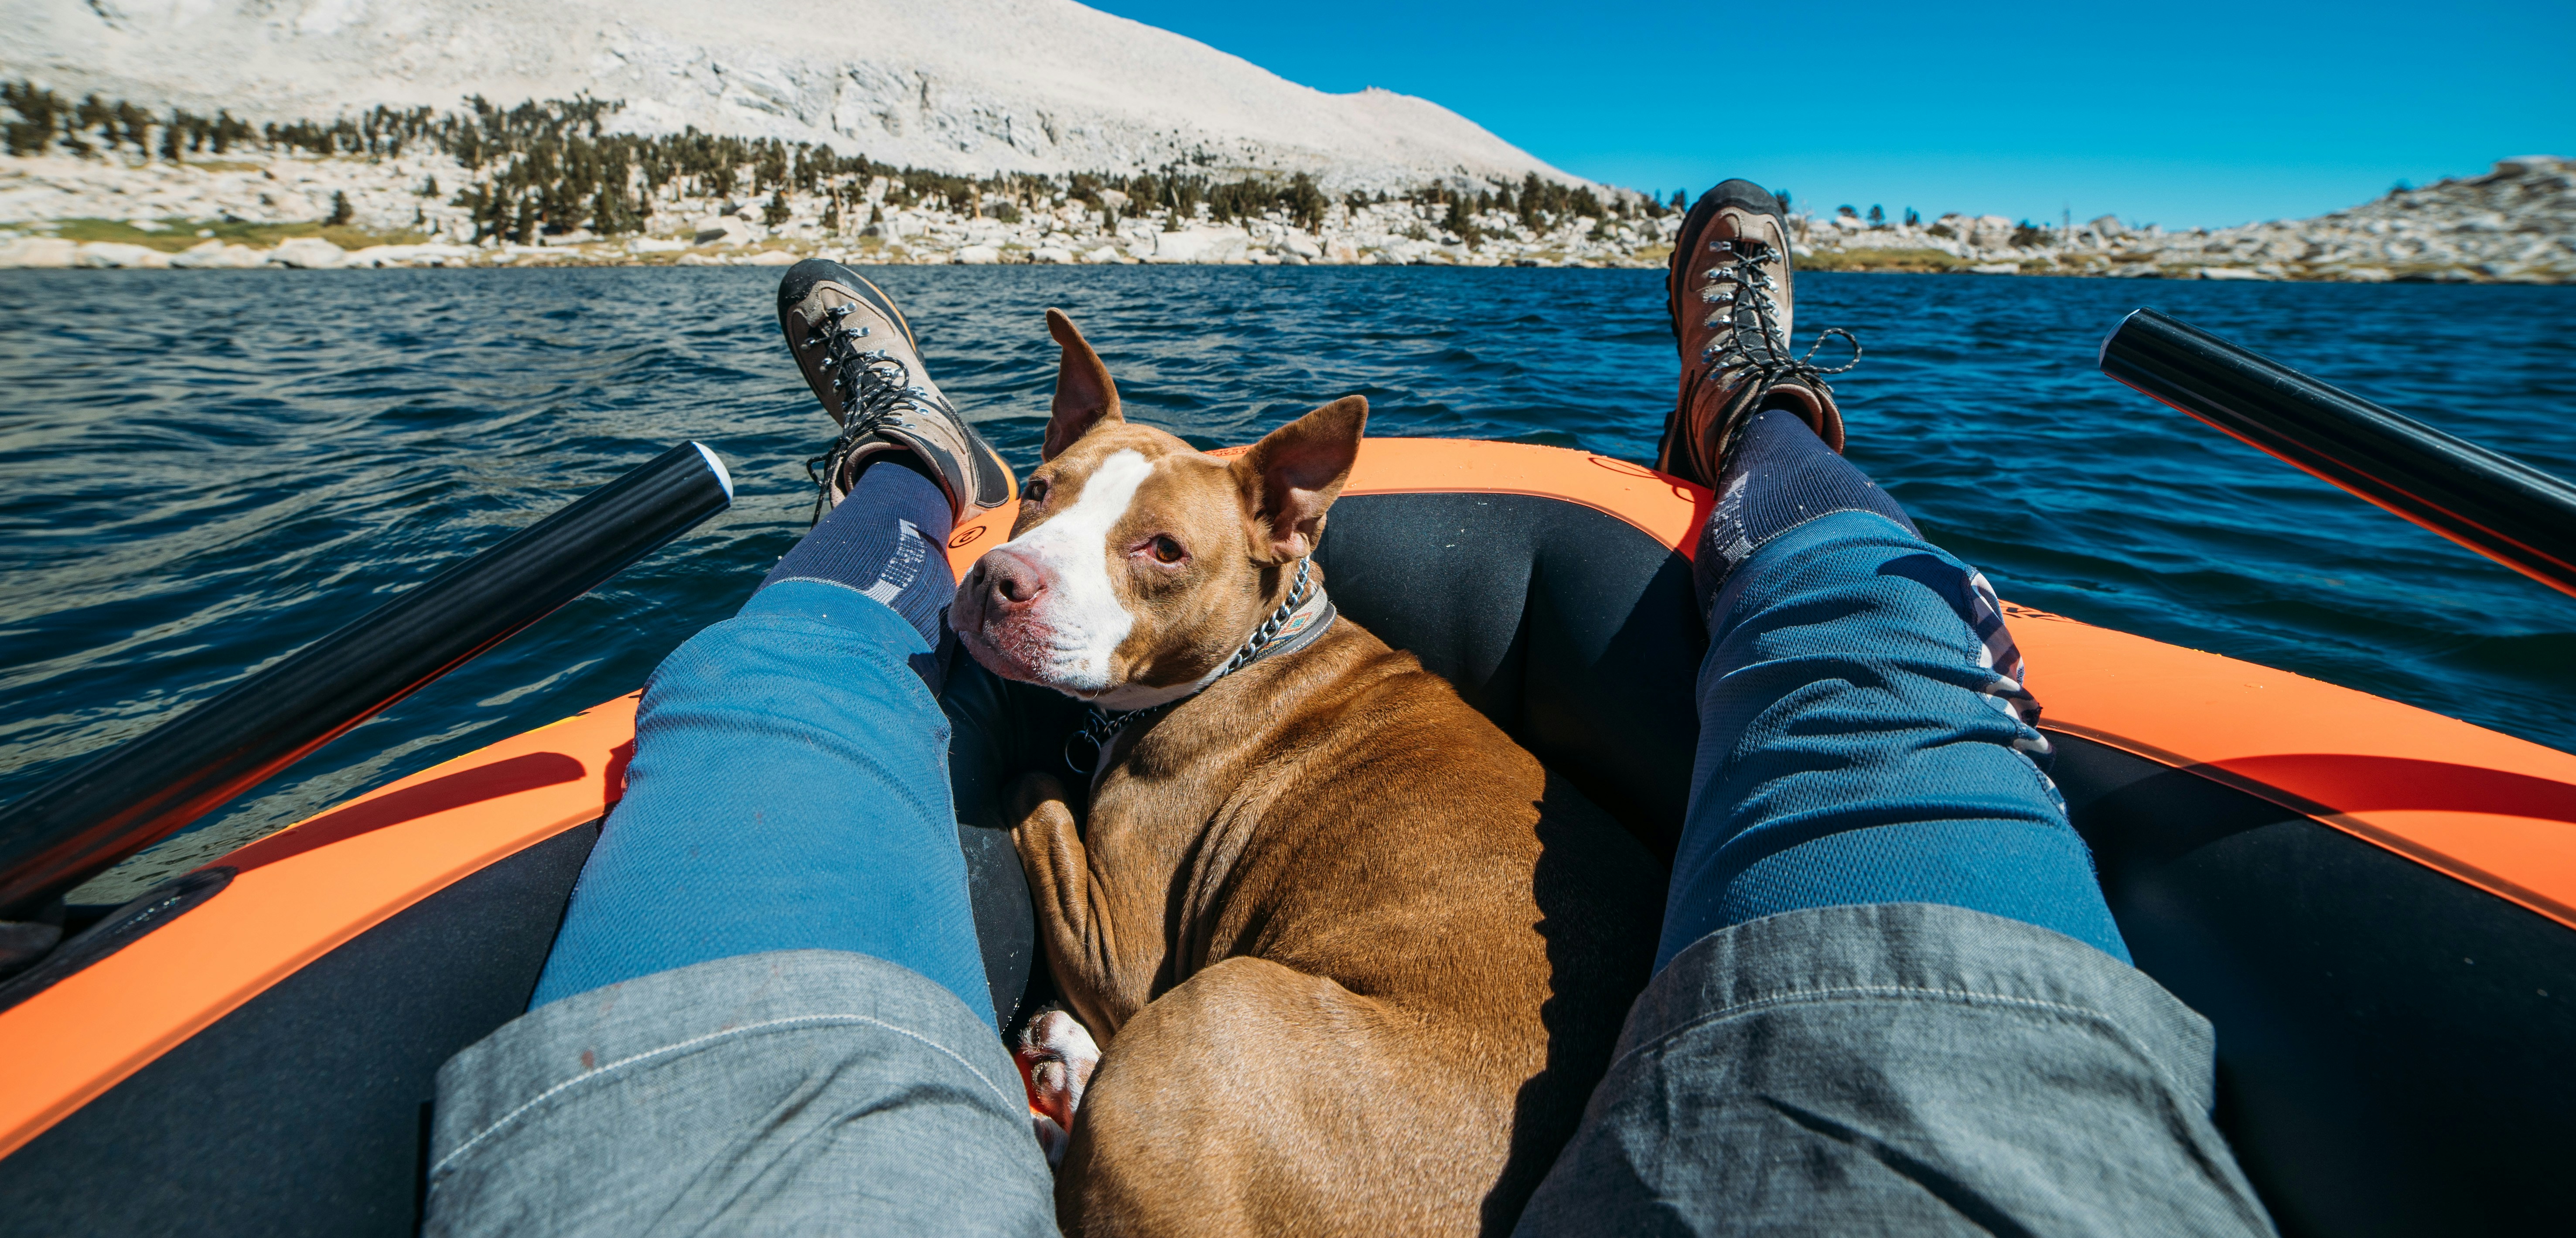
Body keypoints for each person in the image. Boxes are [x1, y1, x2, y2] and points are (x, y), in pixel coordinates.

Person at [420, 188, 2279, 1237]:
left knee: (770, 690)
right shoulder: (1260, 662)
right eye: (1039, 513)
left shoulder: (1251, 709)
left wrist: (1046, 827)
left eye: (1145, 550)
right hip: (1817, 1143)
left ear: (1276, 537)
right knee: (1872, 668)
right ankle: (1763, 439)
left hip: (1373, 1123)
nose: (1041, 572)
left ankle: (901, 484)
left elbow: (1132, 975)